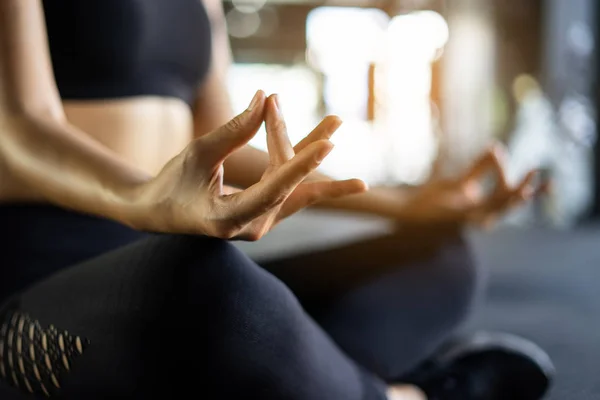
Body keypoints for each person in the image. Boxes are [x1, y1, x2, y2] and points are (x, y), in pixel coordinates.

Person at [0, 0, 553, 399]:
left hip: (161, 258)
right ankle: (401, 394)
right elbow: (19, 127)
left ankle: (305, 374)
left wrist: (404, 205)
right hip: (35, 296)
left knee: (439, 258)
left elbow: (217, 134)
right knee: (209, 287)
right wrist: (144, 197)